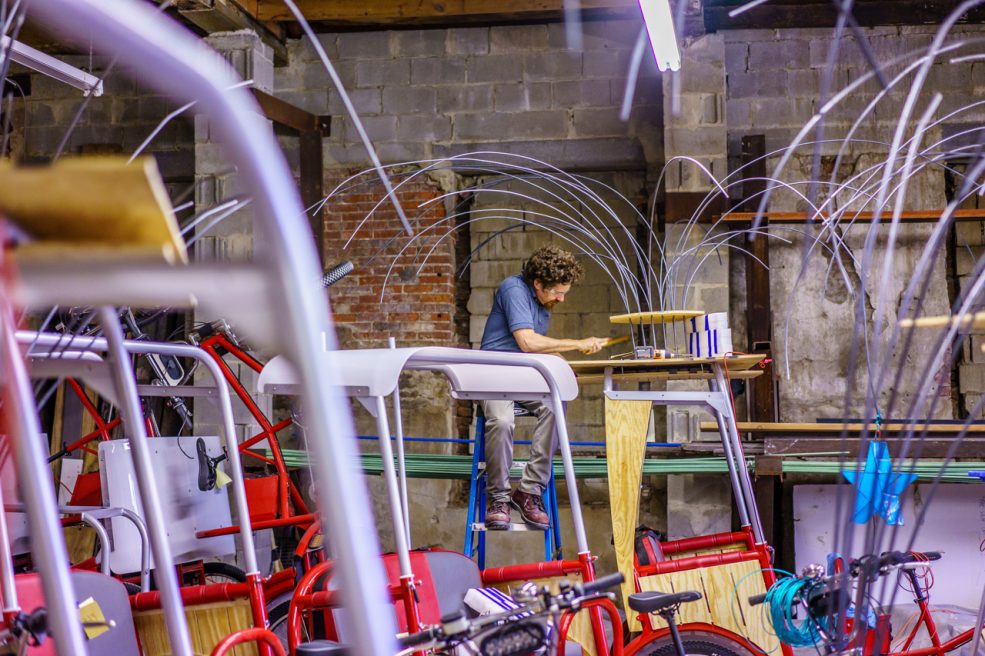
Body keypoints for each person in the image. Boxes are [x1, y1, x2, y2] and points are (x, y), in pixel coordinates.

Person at [479, 245, 607, 530]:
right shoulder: (513, 289)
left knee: (555, 406)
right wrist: (578, 343)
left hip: (524, 376)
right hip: (493, 375)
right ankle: (498, 499)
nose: (561, 298)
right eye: (557, 292)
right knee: (501, 420)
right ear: (538, 283)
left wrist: (565, 365)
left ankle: (529, 491)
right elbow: (528, 342)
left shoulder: (543, 303)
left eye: (564, 292)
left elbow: (537, 350)